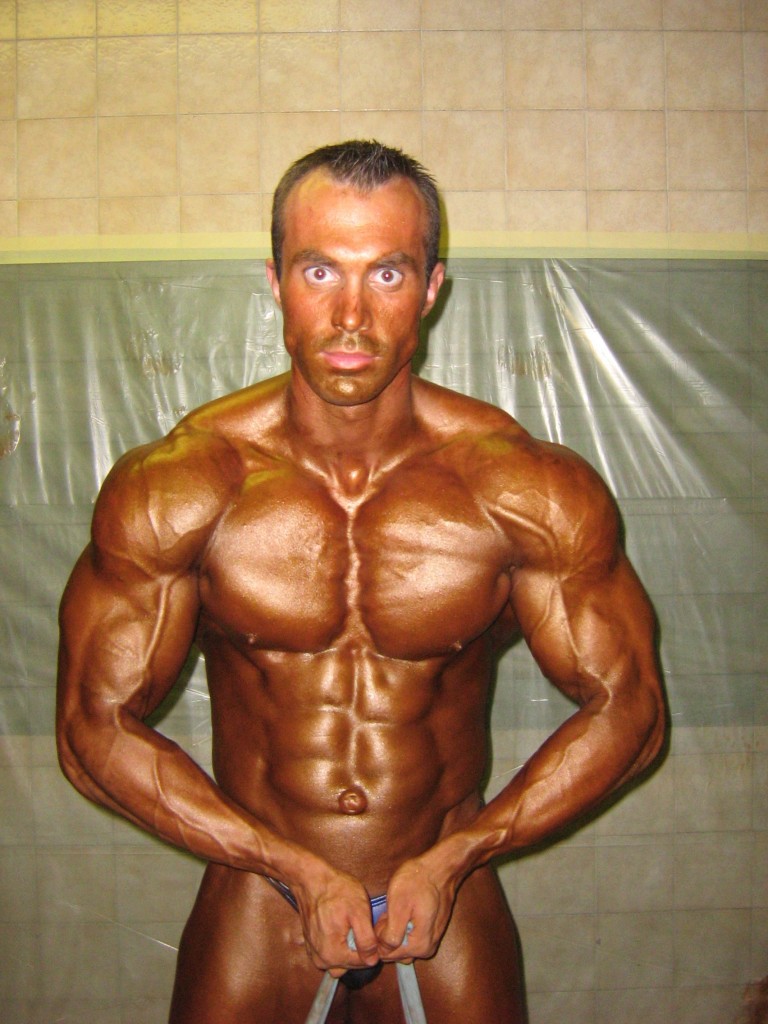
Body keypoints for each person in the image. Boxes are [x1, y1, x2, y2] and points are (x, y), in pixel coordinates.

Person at [56, 139, 666, 1024]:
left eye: (386, 274)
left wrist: (461, 854)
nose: (350, 315)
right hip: (259, 893)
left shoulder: (521, 487)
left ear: (432, 286)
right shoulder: (184, 485)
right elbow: (90, 727)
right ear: (275, 281)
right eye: (319, 271)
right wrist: (286, 865)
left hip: (444, 895)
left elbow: (631, 710)